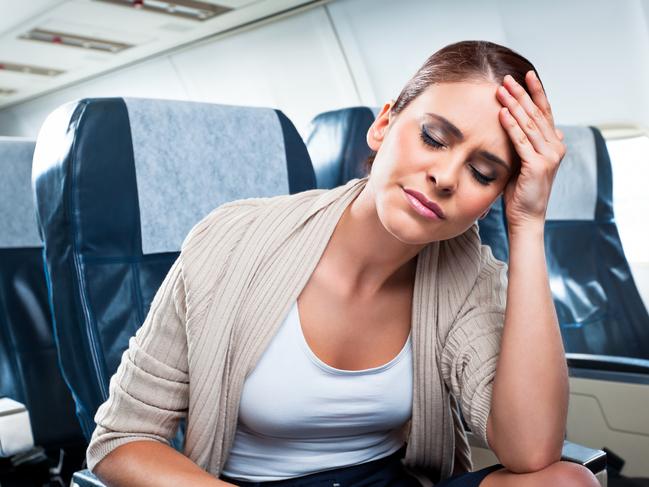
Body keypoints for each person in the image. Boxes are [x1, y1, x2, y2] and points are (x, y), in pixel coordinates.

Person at [87, 40, 600, 487]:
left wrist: (528, 225)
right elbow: (120, 441)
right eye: (433, 138)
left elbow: (531, 453)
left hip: (388, 480)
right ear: (384, 124)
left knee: (566, 481)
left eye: (483, 172)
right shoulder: (232, 237)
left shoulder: (471, 278)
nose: (445, 176)